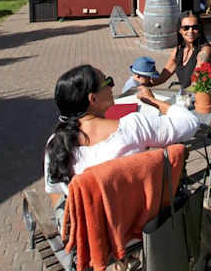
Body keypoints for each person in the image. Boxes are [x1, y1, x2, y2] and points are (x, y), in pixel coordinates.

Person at [44, 64, 199, 196]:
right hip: (139, 216)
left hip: (93, 221)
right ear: (93, 99)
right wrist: (154, 101)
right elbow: (189, 123)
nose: (112, 86)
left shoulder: (56, 144)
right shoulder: (133, 127)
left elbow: (54, 190)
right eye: (107, 82)